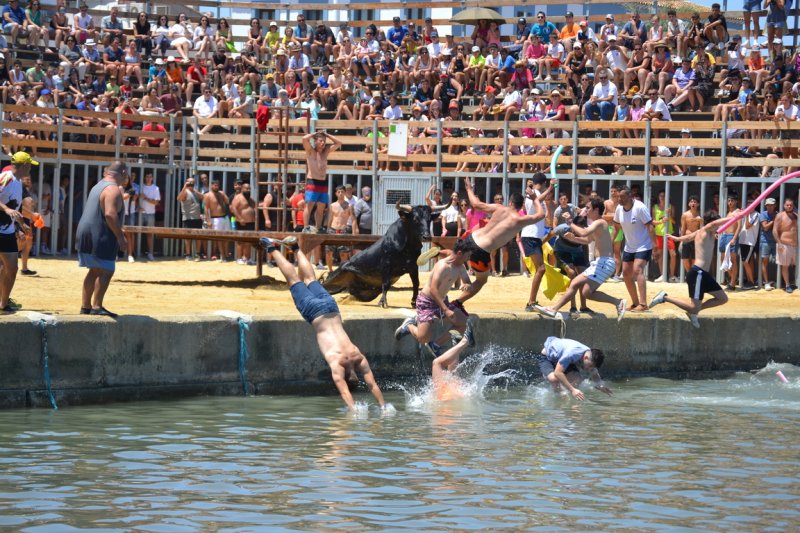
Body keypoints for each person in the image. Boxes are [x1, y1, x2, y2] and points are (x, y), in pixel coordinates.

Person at [259, 236, 387, 411]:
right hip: (314, 313)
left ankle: (296, 248)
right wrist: (353, 410)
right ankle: (271, 247)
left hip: (331, 308)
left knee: (311, 278)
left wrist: (384, 407)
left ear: (355, 375)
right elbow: (345, 393)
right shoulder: (336, 365)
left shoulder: (359, 357)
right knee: (294, 281)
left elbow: (373, 385)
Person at [457, 176, 545, 305]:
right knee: (481, 281)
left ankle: (440, 254)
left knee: (453, 259)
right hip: (481, 250)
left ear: (510, 203)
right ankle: (457, 303)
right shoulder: (519, 220)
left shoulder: (499, 208)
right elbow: (541, 215)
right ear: (521, 207)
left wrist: (469, 189)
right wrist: (535, 199)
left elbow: (476, 204)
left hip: (471, 238)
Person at [537, 197, 626, 320]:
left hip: (604, 263)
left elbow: (584, 233)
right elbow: (587, 240)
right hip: (602, 263)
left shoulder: (600, 222)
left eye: (588, 208)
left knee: (574, 283)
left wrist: (570, 222)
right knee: (586, 293)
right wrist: (572, 238)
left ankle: (554, 309)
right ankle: (618, 302)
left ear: (596, 210)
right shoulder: (596, 224)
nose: (586, 210)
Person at [649, 211, 735, 328]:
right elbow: (714, 223)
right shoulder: (705, 229)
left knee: (722, 298)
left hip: (704, 275)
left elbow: (688, 237)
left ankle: (694, 311)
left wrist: (677, 238)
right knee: (694, 306)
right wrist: (734, 217)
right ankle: (664, 297)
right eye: (717, 225)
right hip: (697, 273)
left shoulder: (702, 232)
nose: (718, 227)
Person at [395, 238, 474, 356]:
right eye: (467, 256)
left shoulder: (460, 266)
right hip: (427, 302)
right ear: (459, 253)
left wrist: (466, 285)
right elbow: (433, 289)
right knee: (423, 338)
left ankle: (435, 344)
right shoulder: (442, 266)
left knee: (462, 323)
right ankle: (409, 326)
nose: (469, 259)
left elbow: (467, 281)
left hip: (442, 301)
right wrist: (446, 310)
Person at [76, 161, 128, 318]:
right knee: (107, 270)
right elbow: (110, 214)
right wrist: (120, 237)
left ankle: (86, 306)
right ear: (124, 173)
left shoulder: (98, 186)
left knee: (94, 270)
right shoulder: (113, 190)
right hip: (100, 234)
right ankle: (97, 306)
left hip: (85, 233)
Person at [0, 152, 36, 313]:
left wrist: (21, 224)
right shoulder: (6, 177)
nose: (30, 169)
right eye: (29, 165)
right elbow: (9, 208)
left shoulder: (18, 184)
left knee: (12, 267)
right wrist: (6, 209)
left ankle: (4, 303)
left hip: (6, 231)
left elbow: (14, 209)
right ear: (24, 165)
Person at [613, 185, 654, 312]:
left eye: (622, 196)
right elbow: (616, 225)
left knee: (637, 269)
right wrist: (611, 241)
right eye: (618, 196)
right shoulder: (619, 209)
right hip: (629, 246)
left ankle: (643, 304)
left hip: (644, 245)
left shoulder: (640, 207)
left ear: (630, 196)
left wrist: (656, 246)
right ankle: (635, 302)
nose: (619, 199)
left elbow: (650, 227)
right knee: (625, 273)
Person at [537, 336, 611, 400]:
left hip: (561, 358)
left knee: (577, 379)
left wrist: (600, 386)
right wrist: (572, 390)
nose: (590, 368)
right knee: (554, 379)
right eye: (590, 366)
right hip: (547, 358)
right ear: (585, 358)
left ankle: (568, 395)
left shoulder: (589, 355)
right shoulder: (572, 354)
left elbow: (594, 373)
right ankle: (560, 400)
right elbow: (558, 372)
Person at [522, 173, 555, 311]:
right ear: (544, 183)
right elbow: (536, 199)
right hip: (530, 235)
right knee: (541, 269)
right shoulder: (532, 193)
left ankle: (532, 301)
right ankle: (531, 302)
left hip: (534, 236)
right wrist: (550, 189)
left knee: (540, 269)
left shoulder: (534, 193)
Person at [301, 130, 341, 233]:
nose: (323, 143)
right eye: (320, 141)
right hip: (312, 182)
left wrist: (327, 134)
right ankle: (306, 227)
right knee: (309, 206)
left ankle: (318, 228)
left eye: (324, 141)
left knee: (321, 207)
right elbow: (304, 139)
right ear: (316, 141)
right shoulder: (310, 150)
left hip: (323, 182)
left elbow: (339, 143)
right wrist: (314, 134)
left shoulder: (326, 151)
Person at [431, 321, 476, 402]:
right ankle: (465, 342)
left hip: (448, 403)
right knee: (437, 363)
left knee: (450, 376)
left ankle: (457, 344)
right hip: (445, 400)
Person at [773, 198, 797, 293]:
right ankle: (787, 285)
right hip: (784, 244)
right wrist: (779, 243)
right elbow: (775, 230)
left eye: (791, 205)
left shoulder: (796, 215)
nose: (789, 206)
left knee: (796, 265)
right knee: (785, 266)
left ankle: (795, 283)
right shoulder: (780, 216)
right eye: (787, 205)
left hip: (796, 245)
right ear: (784, 205)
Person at [203, 179, 231, 261]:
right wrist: (208, 220)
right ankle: (222, 255)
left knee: (227, 237)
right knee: (219, 238)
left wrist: (223, 194)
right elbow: (206, 208)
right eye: (215, 185)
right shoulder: (207, 195)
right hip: (215, 218)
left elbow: (227, 201)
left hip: (225, 217)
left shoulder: (221, 193)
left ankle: (226, 254)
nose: (216, 187)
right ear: (211, 186)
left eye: (217, 185)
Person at [177, 176, 203, 261]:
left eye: (193, 183)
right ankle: (188, 254)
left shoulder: (195, 192)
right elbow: (179, 198)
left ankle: (197, 254)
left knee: (198, 237)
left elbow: (202, 197)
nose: (191, 184)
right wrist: (185, 187)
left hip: (197, 218)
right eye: (190, 182)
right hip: (188, 218)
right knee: (188, 238)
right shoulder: (185, 192)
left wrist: (193, 189)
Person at [230, 181, 256, 265]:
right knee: (240, 241)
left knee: (248, 241)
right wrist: (240, 218)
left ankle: (247, 258)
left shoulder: (250, 199)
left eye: (249, 189)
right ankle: (239, 258)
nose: (248, 190)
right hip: (241, 222)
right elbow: (233, 208)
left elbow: (256, 206)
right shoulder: (238, 197)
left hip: (250, 223)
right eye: (246, 188)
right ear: (242, 189)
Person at [679, 195, 703, 275]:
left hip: (696, 239)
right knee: (685, 258)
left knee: (694, 258)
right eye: (691, 202)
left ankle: (692, 275)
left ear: (698, 204)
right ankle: (689, 273)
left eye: (695, 202)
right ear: (689, 204)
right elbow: (683, 228)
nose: (693, 203)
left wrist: (701, 221)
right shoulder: (685, 215)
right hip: (687, 238)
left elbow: (702, 229)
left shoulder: (700, 215)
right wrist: (681, 240)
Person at [139, 172, 160, 261]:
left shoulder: (155, 188)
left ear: (152, 178)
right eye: (147, 176)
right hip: (140, 213)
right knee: (137, 233)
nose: (148, 178)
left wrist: (145, 198)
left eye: (150, 177)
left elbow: (156, 202)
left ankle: (150, 253)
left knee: (149, 234)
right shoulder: (141, 187)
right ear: (144, 177)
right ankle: (136, 252)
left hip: (151, 213)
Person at [759, 197, 779, 290]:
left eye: (771, 205)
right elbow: (765, 227)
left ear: (775, 205)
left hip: (776, 241)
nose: (769, 207)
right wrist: (774, 220)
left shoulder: (778, 214)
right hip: (765, 241)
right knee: (765, 262)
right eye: (768, 205)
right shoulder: (763, 214)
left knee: (779, 262)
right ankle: (766, 283)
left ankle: (777, 281)